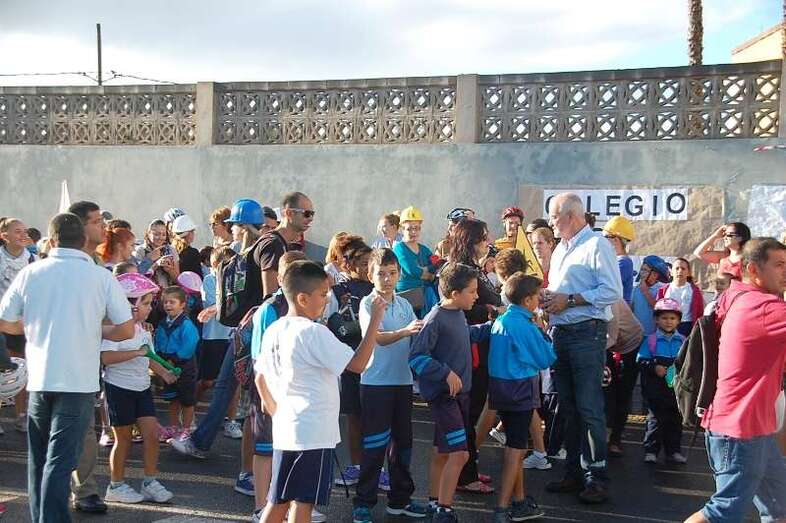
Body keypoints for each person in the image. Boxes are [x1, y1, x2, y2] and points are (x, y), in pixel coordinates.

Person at [0, 212, 134, 523]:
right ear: (83, 239)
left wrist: (34, 326)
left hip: (40, 378)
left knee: (40, 459)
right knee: (60, 459)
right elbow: (126, 329)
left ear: (52, 240)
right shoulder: (100, 277)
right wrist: (93, 328)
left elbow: (6, 322)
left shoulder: (31, 272)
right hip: (78, 381)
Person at [254, 260, 387, 523]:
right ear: (303, 298)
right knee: (302, 503)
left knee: (278, 501)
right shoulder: (312, 332)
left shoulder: (275, 329)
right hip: (312, 432)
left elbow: (260, 376)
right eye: (323, 294)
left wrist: (275, 410)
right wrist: (374, 322)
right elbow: (358, 364)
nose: (327, 300)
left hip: (287, 428)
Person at [685, 238, 786, 523]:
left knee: (781, 508)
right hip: (739, 430)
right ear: (753, 269)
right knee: (723, 513)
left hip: (752, 426)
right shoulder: (764, 308)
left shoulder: (736, 295)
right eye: (779, 265)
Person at [542, 193, 622, 504]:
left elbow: (612, 290)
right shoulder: (562, 248)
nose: (551, 222)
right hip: (561, 333)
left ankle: (596, 476)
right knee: (569, 407)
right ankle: (574, 471)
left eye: (554, 217)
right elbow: (564, 293)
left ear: (572, 216)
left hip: (586, 334)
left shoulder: (597, 244)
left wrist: (570, 300)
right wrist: (550, 300)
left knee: (589, 406)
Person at [408, 262, 491, 522]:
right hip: (445, 398)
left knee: (442, 452)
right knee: (460, 453)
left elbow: (464, 335)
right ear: (455, 294)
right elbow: (416, 357)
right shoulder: (435, 318)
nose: (476, 296)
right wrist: (445, 372)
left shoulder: (457, 313)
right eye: (472, 291)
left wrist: (492, 327)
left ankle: (434, 503)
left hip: (460, 396)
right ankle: (444, 509)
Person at [351, 248, 426, 523]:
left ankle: (400, 500)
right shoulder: (369, 303)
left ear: (399, 274)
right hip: (375, 383)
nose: (387, 279)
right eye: (381, 273)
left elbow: (415, 336)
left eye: (392, 273)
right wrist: (406, 331)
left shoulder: (404, 304)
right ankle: (364, 502)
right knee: (374, 445)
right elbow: (378, 338)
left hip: (402, 382)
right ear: (370, 275)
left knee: (402, 444)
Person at [247, 251, 315, 523]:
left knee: (291, 448)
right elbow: (259, 358)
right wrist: (267, 394)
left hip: (296, 390)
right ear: (280, 277)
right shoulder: (269, 309)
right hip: (270, 387)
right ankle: (260, 505)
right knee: (265, 448)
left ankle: (291, 506)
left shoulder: (307, 307)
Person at [102, 273, 177, 504]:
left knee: (152, 436)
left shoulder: (144, 330)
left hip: (142, 388)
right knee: (123, 440)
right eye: (145, 303)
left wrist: (165, 373)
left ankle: (149, 482)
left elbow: (149, 357)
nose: (149, 308)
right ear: (130, 306)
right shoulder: (114, 329)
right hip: (118, 388)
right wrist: (136, 353)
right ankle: (115, 485)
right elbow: (105, 358)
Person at [489, 272, 555, 522]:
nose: (539, 300)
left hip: (501, 389)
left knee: (514, 445)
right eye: (537, 296)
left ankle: (519, 500)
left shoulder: (502, 319)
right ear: (527, 300)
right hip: (520, 391)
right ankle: (502, 508)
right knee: (516, 450)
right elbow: (545, 358)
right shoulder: (525, 326)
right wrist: (543, 332)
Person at [67, 200, 116, 514]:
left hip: (87, 360)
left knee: (86, 427)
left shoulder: (97, 266)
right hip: (57, 363)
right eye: (97, 221)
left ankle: (84, 490)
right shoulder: (52, 266)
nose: (104, 227)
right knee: (58, 430)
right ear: (80, 227)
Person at [450, 219, 501, 495]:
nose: (487, 242)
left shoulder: (473, 268)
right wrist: (491, 310)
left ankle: (467, 468)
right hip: (470, 350)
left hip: (479, 347)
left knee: (472, 411)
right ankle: (464, 475)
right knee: (467, 414)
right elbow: (460, 308)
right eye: (483, 238)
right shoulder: (461, 270)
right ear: (470, 241)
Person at [324, 239, 377, 489]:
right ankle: (356, 465)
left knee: (376, 417)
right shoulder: (338, 291)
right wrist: (351, 327)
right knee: (355, 416)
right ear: (350, 264)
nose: (368, 268)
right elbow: (332, 324)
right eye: (364, 263)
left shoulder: (379, 290)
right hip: (351, 361)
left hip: (377, 362)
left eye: (371, 263)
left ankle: (376, 468)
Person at [636, 298, 687, 465]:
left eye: (672, 318)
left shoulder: (683, 341)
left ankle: (673, 451)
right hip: (655, 389)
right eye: (664, 318)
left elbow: (689, 362)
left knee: (675, 420)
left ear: (679, 320)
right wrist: (654, 366)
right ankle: (651, 450)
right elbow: (641, 360)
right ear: (656, 320)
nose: (668, 321)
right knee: (656, 419)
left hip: (676, 389)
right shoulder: (650, 340)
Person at [196, 247, 237, 430]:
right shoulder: (209, 280)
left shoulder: (238, 281)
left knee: (233, 382)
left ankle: (231, 421)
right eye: (227, 264)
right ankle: (189, 408)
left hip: (233, 335)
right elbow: (219, 305)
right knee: (207, 381)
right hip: (213, 337)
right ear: (215, 264)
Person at [154, 286, 200, 441]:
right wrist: (160, 356)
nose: (168, 305)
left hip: (184, 366)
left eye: (172, 302)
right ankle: (173, 427)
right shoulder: (163, 323)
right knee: (172, 398)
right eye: (165, 302)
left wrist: (175, 359)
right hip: (167, 364)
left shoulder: (186, 324)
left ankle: (186, 429)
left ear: (182, 304)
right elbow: (159, 341)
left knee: (187, 400)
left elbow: (190, 343)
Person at [0, 217, 32, 433]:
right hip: (2, 321)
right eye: (17, 231)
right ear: (4, 236)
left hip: (23, 322)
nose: (23, 235)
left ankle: (22, 414)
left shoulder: (32, 259)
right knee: (2, 367)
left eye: (24, 231)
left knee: (22, 367)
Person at [604, 299, 643, 458]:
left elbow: (611, 337)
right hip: (610, 345)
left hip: (630, 345)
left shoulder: (610, 301)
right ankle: (606, 433)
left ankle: (615, 438)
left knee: (623, 394)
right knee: (607, 390)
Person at [256, 192, 314, 298]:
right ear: (289, 213)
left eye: (312, 214)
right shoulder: (274, 243)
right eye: (306, 213)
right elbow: (270, 296)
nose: (311, 218)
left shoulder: (282, 243)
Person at [393, 206, 437, 316]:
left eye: (417, 228)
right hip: (408, 297)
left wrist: (426, 269)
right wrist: (429, 274)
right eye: (409, 229)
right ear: (402, 229)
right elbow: (413, 271)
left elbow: (437, 262)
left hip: (425, 294)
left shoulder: (424, 248)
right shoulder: (399, 248)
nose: (413, 232)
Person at [656, 257, 704, 337]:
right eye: (677, 268)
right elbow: (658, 311)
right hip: (667, 326)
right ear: (671, 272)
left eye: (683, 268)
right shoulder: (663, 290)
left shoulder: (694, 290)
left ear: (688, 273)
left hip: (686, 326)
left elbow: (699, 312)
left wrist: (697, 330)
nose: (680, 271)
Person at [630, 255, 670, 336]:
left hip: (653, 335)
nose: (641, 273)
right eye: (641, 269)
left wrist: (645, 291)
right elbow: (630, 310)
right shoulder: (635, 289)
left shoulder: (663, 289)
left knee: (652, 345)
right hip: (637, 335)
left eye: (645, 270)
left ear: (655, 275)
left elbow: (661, 310)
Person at [133, 219, 179, 287]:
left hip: (166, 291)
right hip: (147, 291)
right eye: (156, 234)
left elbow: (177, 280)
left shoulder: (171, 250)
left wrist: (170, 270)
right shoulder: (140, 250)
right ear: (148, 233)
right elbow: (136, 277)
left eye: (164, 234)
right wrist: (155, 264)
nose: (160, 238)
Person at [601, 217, 635, 304]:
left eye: (605, 237)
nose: (601, 240)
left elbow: (605, 285)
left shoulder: (624, 262)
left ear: (615, 240)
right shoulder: (616, 260)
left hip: (617, 311)